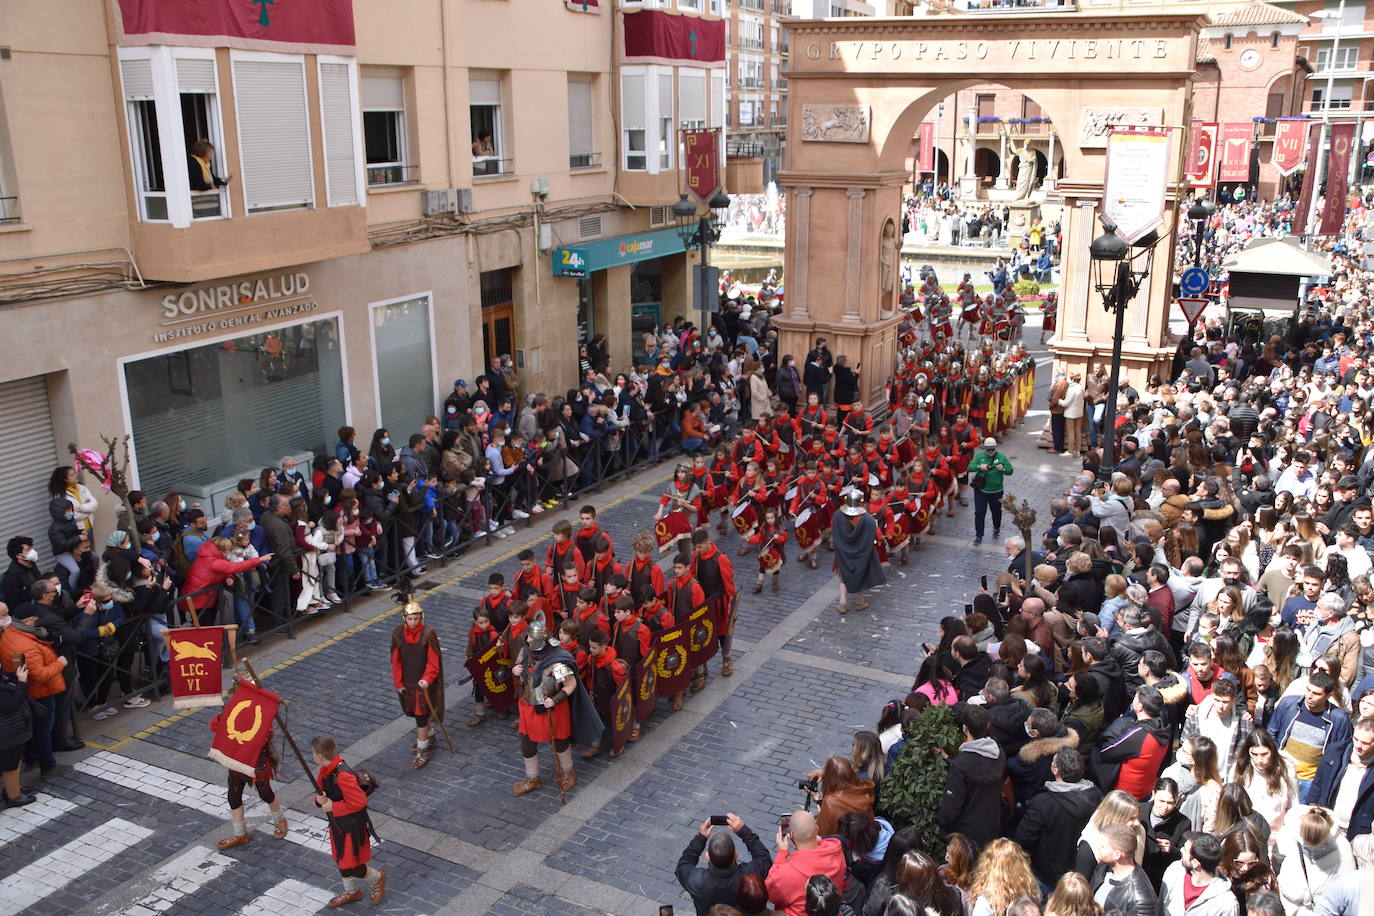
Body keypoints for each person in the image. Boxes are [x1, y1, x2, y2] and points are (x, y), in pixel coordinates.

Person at [511, 616, 602, 796]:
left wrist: (555, 699)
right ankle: (532, 778)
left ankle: (568, 773)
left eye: (532, 638)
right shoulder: (526, 652)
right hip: (529, 705)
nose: (528, 640)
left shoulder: (557, 660)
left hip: (553, 708)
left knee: (560, 742)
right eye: (528, 637)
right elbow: (519, 667)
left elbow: (570, 685)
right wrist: (515, 670)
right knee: (526, 743)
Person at [211, 671, 288, 849]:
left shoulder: (261, 708)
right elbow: (216, 727)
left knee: (265, 792)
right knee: (234, 794)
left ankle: (280, 819)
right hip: (237, 757)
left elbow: (267, 733)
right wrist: (223, 720)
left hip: (255, 758)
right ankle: (240, 834)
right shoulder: (233, 707)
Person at [311, 735, 385, 907]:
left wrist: (332, 806)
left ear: (320, 756)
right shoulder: (324, 771)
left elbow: (359, 802)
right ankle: (352, 891)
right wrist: (319, 799)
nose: (312, 755)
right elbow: (322, 793)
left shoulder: (343, 775)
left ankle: (378, 878)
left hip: (351, 826)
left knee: (351, 865)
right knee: (342, 860)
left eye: (313, 753)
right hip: (338, 824)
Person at [1016, 747, 1103, 892]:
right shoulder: (1097, 797)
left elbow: (1023, 839)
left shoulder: (1043, 803)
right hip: (1081, 877)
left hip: (1047, 879)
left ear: (1055, 771)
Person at [1268, 670, 1353, 804]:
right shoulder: (1288, 704)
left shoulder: (1339, 719)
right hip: (1282, 772)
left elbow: (1340, 754)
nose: (1309, 696)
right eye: (1308, 690)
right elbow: (1271, 733)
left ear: (1329, 695)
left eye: (1316, 693)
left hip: (1311, 782)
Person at [676, 812, 773, 916]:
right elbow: (764, 859)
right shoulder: (750, 877)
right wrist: (743, 831)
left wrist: (701, 838)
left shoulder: (696, 881)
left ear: (707, 856)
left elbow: (683, 865)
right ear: (736, 855)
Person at [937, 704, 1007, 848]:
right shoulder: (998, 753)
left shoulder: (961, 766)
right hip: (990, 827)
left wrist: (940, 822)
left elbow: (951, 807)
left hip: (965, 836)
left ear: (964, 728)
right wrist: (949, 758)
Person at [389, 592, 444, 770]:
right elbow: (395, 660)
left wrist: (427, 679)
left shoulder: (428, 634)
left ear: (421, 617)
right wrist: (399, 683)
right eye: (410, 618)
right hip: (408, 682)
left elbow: (433, 661)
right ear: (404, 618)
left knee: (421, 717)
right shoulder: (398, 633)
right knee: (416, 713)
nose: (413, 622)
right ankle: (431, 737)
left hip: (422, 683)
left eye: (415, 618)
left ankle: (423, 749)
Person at [766, 809, 850, 916]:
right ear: (817, 829)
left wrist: (781, 854)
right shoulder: (837, 852)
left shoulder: (787, 872)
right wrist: (818, 840)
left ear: (791, 835)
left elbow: (769, 893)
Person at [832, 490, 885, 615]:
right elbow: (875, 534)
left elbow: (834, 534)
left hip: (843, 554)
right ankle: (859, 602)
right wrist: (881, 538)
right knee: (861, 576)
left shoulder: (838, 515)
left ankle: (842, 603)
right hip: (862, 556)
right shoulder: (868, 520)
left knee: (843, 576)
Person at [1159, 833, 1238, 916]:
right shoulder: (1174, 871)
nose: (1181, 850)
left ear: (1195, 863)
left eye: (1185, 850)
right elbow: (1160, 909)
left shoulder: (1226, 904)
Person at [1090, 822, 1159, 916]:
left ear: (1117, 854)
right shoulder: (1104, 867)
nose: (1098, 848)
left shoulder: (1141, 900)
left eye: (1102, 846)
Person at [969, 437, 1013, 546]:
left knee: (996, 511)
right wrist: (979, 467)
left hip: (996, 492)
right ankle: (979, 535)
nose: (990, 452)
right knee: (979, 513)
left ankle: (996, 528)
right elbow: (970, 467)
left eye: (992, 450)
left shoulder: (1001, 457)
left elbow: (1010, 471)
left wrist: (1002, 469)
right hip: (981, 491)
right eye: (988, 449)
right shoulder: (979, 456)